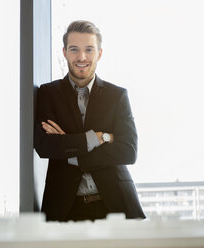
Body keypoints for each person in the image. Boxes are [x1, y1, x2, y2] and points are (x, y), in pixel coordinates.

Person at [34, 20, 145, 222]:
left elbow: (128, 150)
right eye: (74, 49)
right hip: (65, 207)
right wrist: (97, 138)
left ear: (99, 54)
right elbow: (45, 146)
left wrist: (69, 146)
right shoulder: (48, 93)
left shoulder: (117, 95)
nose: (82, 57)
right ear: (65, 52)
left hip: (115, 204)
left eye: (89, 50)